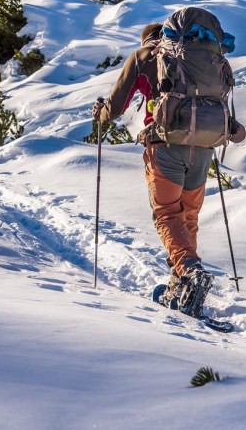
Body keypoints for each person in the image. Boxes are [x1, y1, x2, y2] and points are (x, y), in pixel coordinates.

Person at [92, 22, 215, 313]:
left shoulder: (143, 56)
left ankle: (189, 270)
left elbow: (116, 107)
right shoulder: (199, 56)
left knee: (167, 213)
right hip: (204, 145)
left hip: (165, 145)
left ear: (147, 39)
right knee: (188, 216)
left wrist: (100, 115)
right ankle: (181, 286)